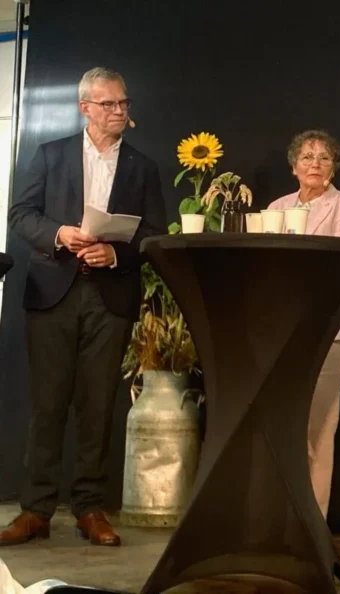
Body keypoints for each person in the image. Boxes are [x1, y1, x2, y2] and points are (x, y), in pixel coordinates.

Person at [2, 67, 166, 546]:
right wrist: (59, 233)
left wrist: (115, 253)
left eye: (123, 103)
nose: (118, 111)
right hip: (53, 290)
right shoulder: (50, 155)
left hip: (110, 294)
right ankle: (35, 510)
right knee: (48, 404)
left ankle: (90, 508)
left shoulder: (142, 166)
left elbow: (155, 233)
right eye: (108, 104)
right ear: (85, 108)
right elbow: (20, 215)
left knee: (97, 405)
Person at [267, 129, 340, 519]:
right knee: (284, 426)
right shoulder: (277, 208)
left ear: (333, 167)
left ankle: (312, 522)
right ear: (294, 167)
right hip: (283, 327)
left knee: (320, 430)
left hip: (329, 326)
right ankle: (281, 517)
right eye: (307, 157)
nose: (315, 164)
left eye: (324, 157)